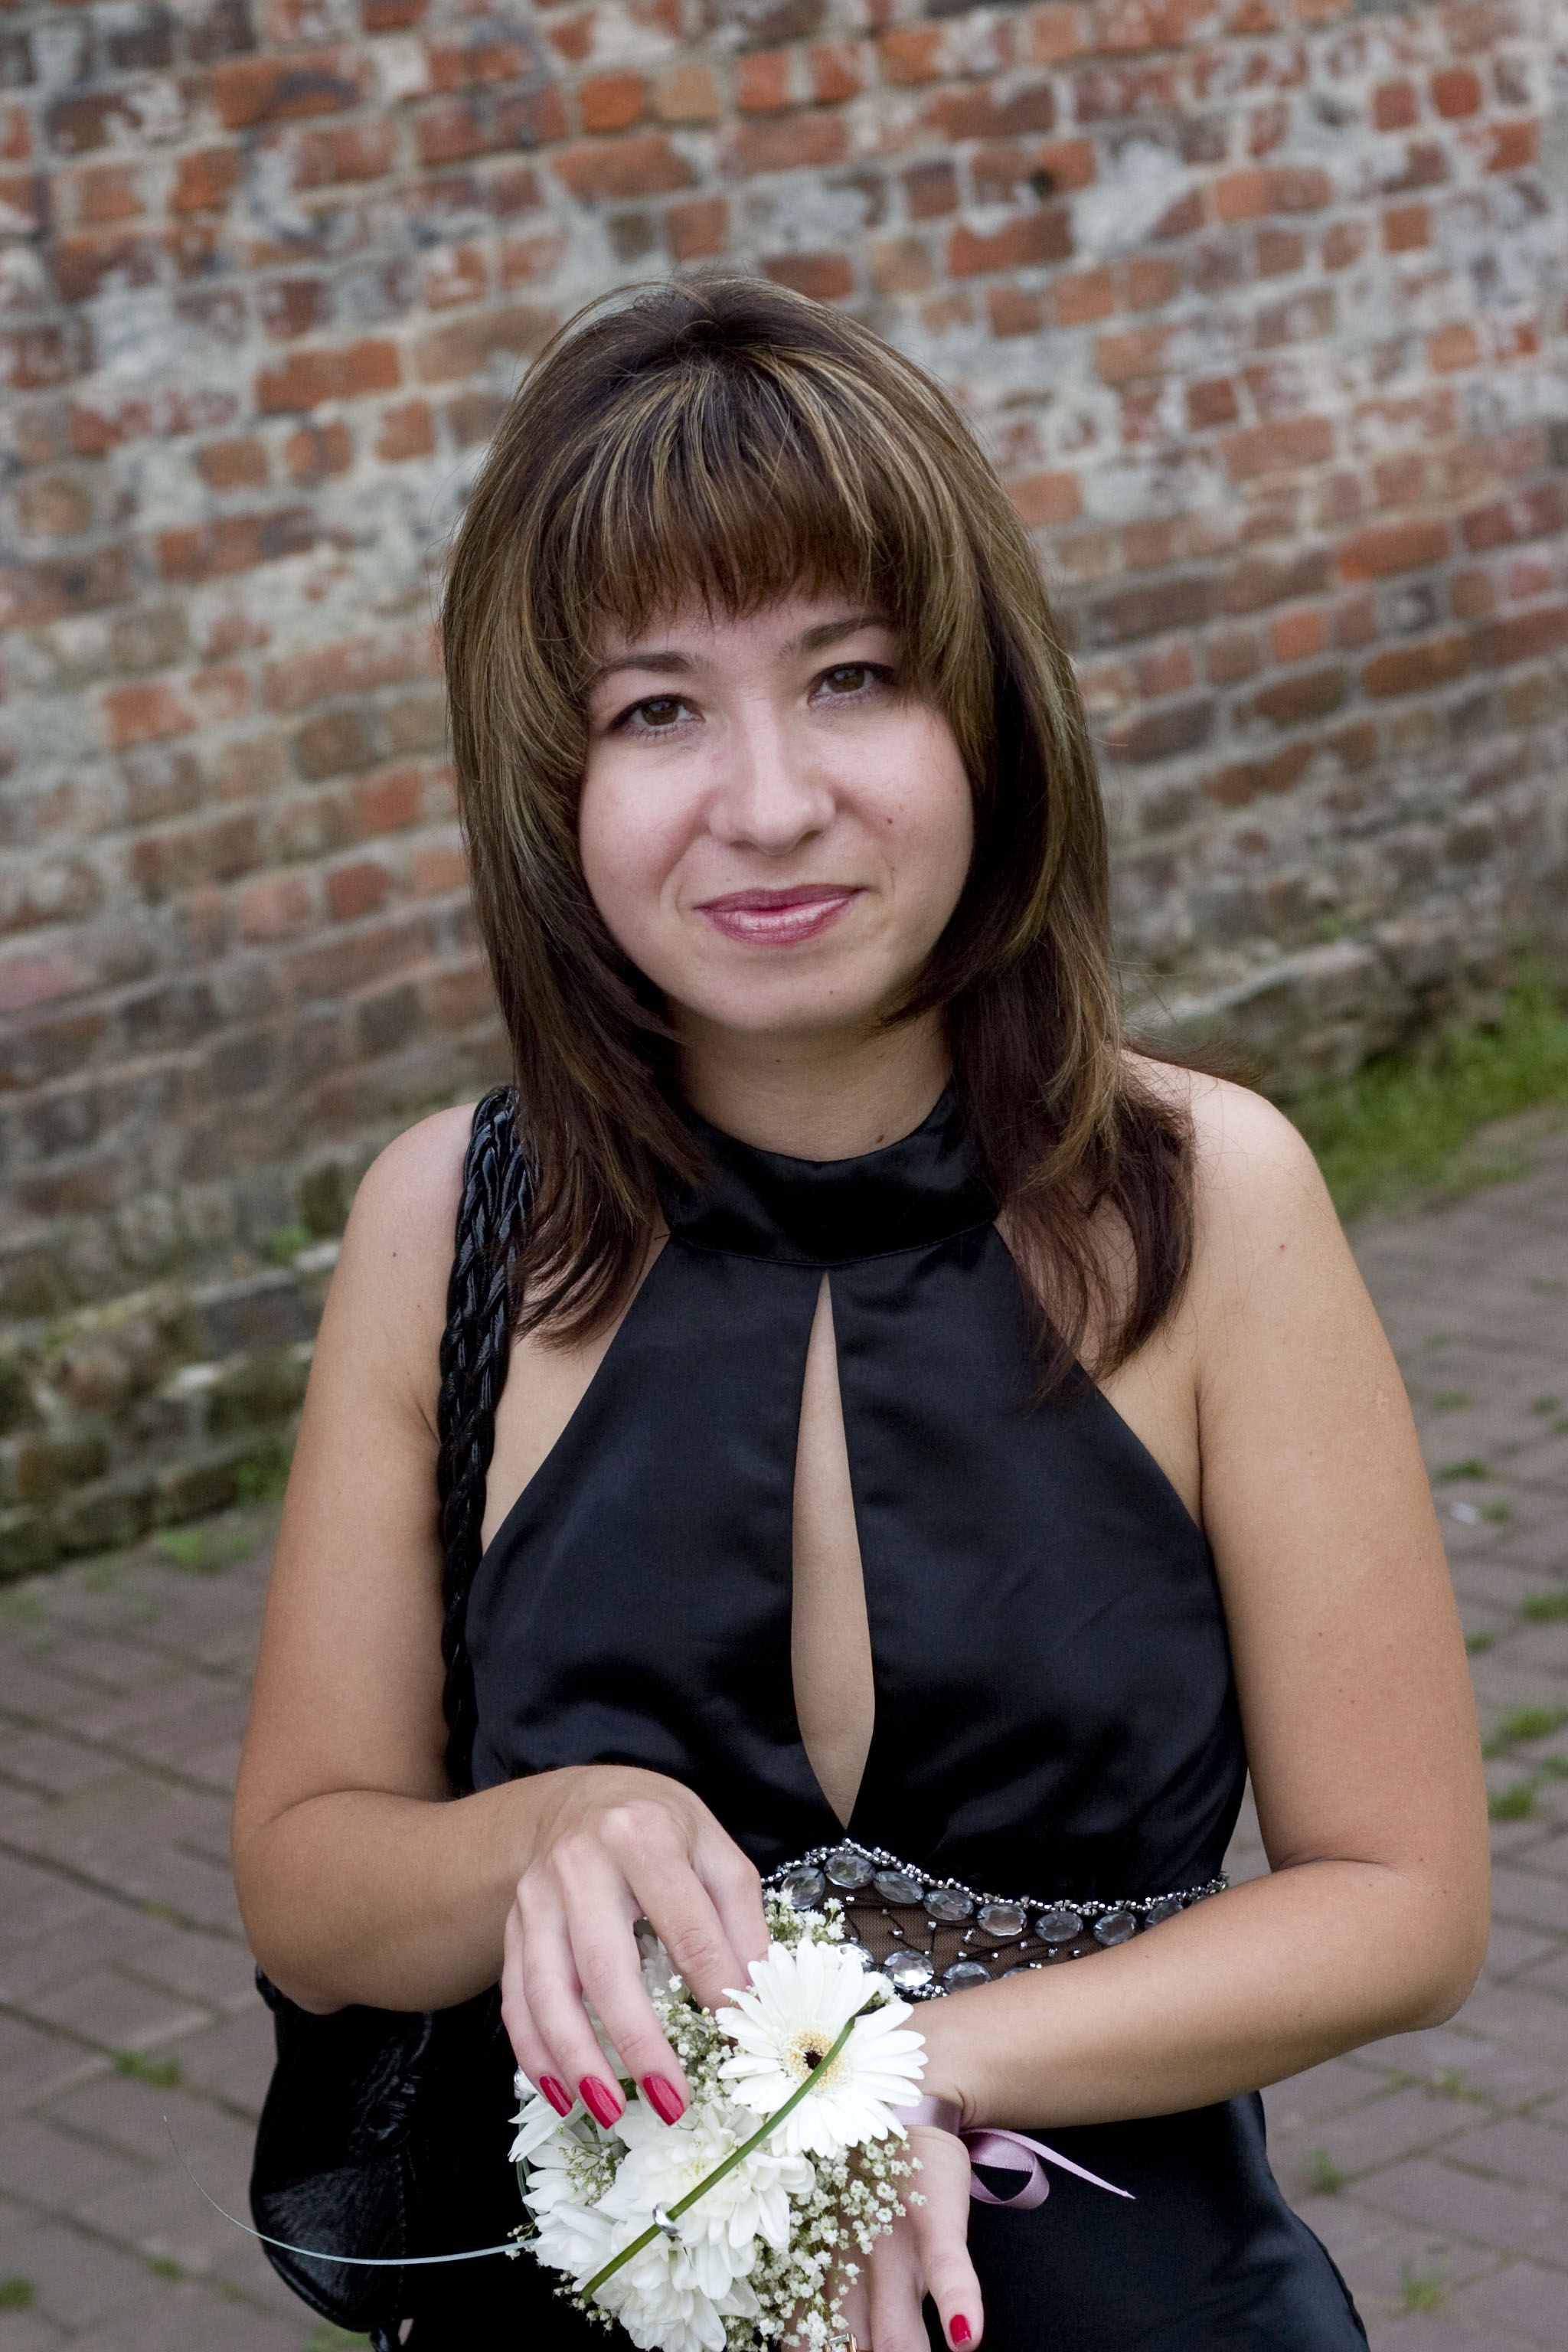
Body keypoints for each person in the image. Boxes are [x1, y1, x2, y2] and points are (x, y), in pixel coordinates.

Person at [232, 278, 1489, 2351]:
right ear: (551, 784)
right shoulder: (445, 1224)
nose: (769, 799)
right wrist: (563, 1827)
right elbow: (307, 1877)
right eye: (656, 710)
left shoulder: (1208, 1200)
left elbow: (1404, 1902)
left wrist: (890, 2079)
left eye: (851, 677)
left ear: (985, 715)